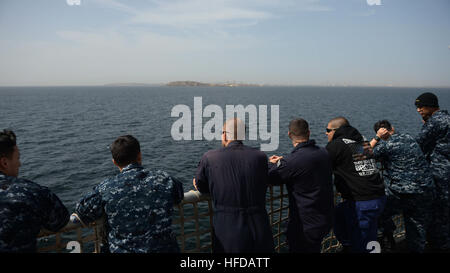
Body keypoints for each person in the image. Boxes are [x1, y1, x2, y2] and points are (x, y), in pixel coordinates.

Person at [75, 135, 184, 253]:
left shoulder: (106, 188)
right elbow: (179, 195)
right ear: (139, 155)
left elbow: (82, 211)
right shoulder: (164, 179)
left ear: (115, 162)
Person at [193, 118, 274, 253]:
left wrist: (199, 184)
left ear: (225, 134)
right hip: (260, 227)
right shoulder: (260, 156)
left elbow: (202, 185)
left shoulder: (209, 157)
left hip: (228, 231)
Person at [268, 118, 334, 253]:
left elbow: (271, 177)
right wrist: (285, 161)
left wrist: (273, 163)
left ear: (289, 135)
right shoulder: (324, 153)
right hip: (324, 218)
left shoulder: (292, 161)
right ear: (309, 132)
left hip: (304, 225)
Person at [370, 120, 434, 252]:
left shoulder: (386, 145)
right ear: (392, 128)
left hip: (403, 193)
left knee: (378, 212)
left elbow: (362, 155)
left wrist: (377, 138)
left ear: (381, 133)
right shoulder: (409, 137)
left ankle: (387, 242)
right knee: (417, 225)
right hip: (425, 189)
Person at [0, 129, 69, 252]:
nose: (19, 164)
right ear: (4, 162)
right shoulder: (31, 191)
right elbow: (60, 221)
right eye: (17, 158)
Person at [325, 117, 386, 253]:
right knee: (339, 214)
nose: (326, 133)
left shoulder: (336, 145)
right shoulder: (361, 140)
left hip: (362, 201)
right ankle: (348, 244)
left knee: (364, 244)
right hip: (377, 197)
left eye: (328, 130)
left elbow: (318, 162)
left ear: (336, 130)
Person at [415, 92, 450, 251]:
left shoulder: (436, 121)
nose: (418, 110)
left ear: (430, 106)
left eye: (421, 106)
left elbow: (419, 144)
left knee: (438, 212)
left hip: (440, 172)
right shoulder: (447, 118)